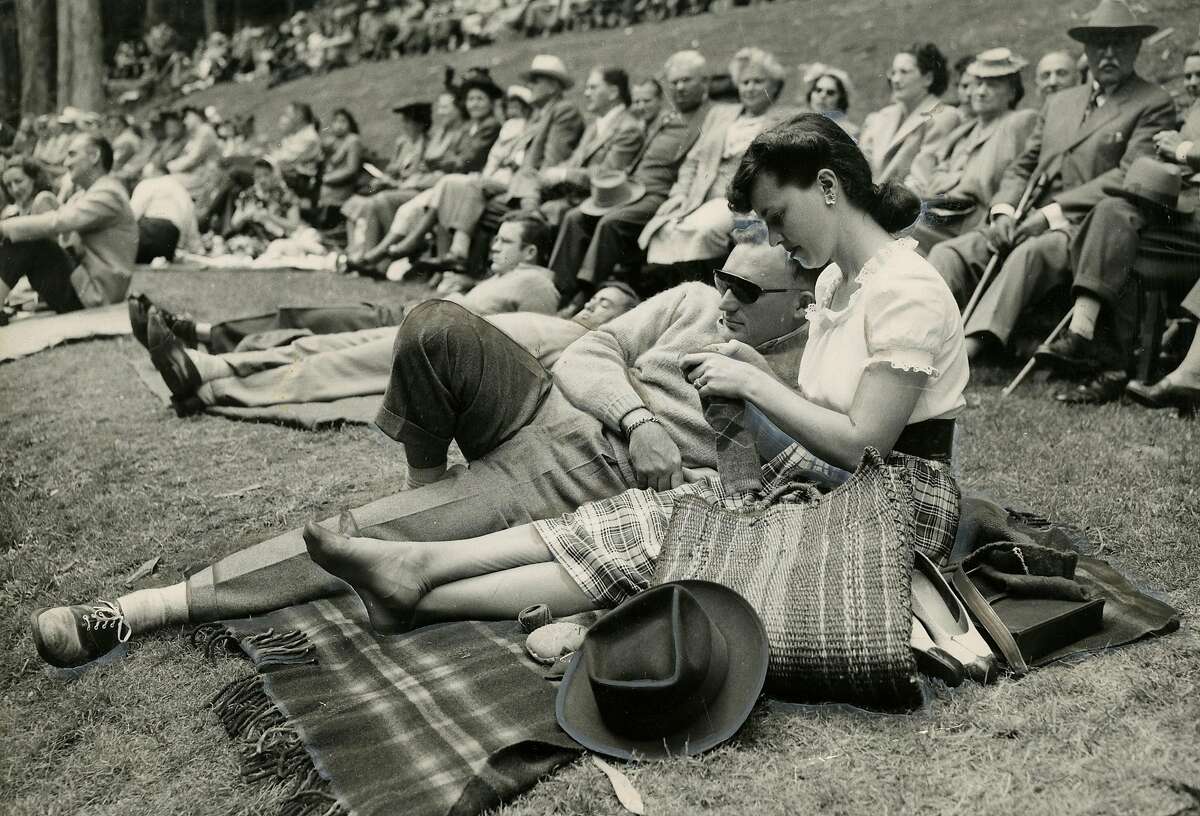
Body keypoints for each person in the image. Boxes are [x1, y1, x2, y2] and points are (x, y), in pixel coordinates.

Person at [267, 112, 966, 634]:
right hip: (832, 490)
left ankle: (420, 582)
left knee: (668, 531)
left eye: (778, 217)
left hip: (895, 505)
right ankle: (414, 575)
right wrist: (755, 374)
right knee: (634, 514)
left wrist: (756, 386)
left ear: (828, 186)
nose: (775, 238)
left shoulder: (905, 286)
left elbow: (866, 446)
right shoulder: (843, 283)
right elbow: (830, 428)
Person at [29, 240, 818, 666]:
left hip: (594, 479)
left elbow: (767, 497)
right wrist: (639, 415)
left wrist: (703, 439)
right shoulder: (689, 304)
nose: (726, 299)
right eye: (724, 279)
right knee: (433, 319)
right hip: (558, 407)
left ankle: (134, 611)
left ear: (802, 298)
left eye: (749, 292)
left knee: (364, 533)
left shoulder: (802, 369)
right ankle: (430, 486)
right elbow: (588, 355)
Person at [927, 0, 1175, 374]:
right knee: (950, 253)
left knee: (1033, 253)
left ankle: (968, 349)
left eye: (1120, 43)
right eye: (1098, 45)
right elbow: (1023, 164)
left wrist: (1050, 214)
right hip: (1025, 214)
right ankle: (925, 338)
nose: (1108, 53)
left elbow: (1127, 175)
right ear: (1086, 50)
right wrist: (1004, 211)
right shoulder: (1061, 101)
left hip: (1084, 225)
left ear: (1137, 47)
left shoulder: (1152, 102)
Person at [140, 210, 566, 412]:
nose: (494, 246)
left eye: (505, 242)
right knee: (317, 341)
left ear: (530, 251)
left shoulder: (538, 285)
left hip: (442, 343)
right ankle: (212, 367)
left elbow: (516, 354)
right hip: (423, 322)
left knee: (331, 357)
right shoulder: (506, 279)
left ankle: (210, 378)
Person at [1041, 40, 1200, 403]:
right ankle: (1082, 334)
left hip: (1193, 224)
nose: (1193, 83)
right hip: (1179, 215)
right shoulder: (1194, 111)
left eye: (1199, 76)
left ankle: (1111, 367)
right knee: (1112, 217)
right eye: (1189, 76)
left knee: (1120, 247)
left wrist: (1180, 151)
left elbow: (1184, 154)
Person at [550, 52, 712, 302]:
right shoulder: (663, 118)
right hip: (633, 189)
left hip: (660, 194)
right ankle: (556, 289)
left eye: (686, 81)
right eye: (674, 82)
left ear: (705, 82)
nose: (679, 88)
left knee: (611, 222)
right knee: (576, 217)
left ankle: (583, 294)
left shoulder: (708, 116)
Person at [638, 47, 792, 278]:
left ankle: (706, 286)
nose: (749, 88)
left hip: (742, 200)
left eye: (757, 81)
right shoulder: (720, 114)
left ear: (774, 86)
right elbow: (693, 160)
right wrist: (679, 194)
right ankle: (679, 288)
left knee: (703, 231)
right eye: (744, 82)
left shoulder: (783, 121)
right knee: (665, 229)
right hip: (699, 196)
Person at [426, 54, 584, 270]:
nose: (530, 85)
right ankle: (459, 260)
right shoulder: (540, 114)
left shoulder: (563, 111)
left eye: (536, 80)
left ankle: (462, 261)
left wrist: (523, 181)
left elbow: (551, 161)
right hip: (522, 181)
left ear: (554, 85)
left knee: (476, 194)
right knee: (473, 190)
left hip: (537, 187)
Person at [907, 49, 1038, 251]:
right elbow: (937, 173)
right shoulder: (965, 130)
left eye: (992, 85)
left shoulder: (1019, 122)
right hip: (944, 213)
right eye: (978, 84)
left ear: (1012, 91)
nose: (981, 91)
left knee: (901, 230)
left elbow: (1016, 175)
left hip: (976, 221)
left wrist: (951, 183)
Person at [0, 134, 138, 314]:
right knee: (26, 236)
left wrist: (4, 227)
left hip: (94, 296)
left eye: (72, 154)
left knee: (27, 238)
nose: (66, 163)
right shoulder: (86, 194)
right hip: (84, 287)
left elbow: (59, 222)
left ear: (94, 156)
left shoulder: (108, 194)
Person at [511, 65, 644, 226]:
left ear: (613, 92)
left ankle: (529, 217)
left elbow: (608, 176)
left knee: (550, 210)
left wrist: (564, 174)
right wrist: (553, 172)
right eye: (587, 88)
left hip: (599, 199)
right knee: (529, 176)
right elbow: (575, 160)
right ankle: (529, 213)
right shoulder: (594, 126)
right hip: (574, 194)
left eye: (593, 88)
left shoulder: (628, 128)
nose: (586, 93)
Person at [859, 43, 962, 184]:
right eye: (893, 72)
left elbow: (921, 179)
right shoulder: (882, 116)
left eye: (904, 72)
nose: (895, 80)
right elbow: (859, 164)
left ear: (928, 78)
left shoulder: (943, 116)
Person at [129, 172, 201, 262]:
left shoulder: (148, 183)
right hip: (171, 240)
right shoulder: (183, 192)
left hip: (152, 229)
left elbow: (131, 216)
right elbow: (193, 235)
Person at [315, 108, 365, 221]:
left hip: (343, 185)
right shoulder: (332, 141)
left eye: (343, 121)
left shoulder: (353, 140)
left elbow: (351, 169)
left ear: (350, 124)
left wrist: (327, 178)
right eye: (336, 121)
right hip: (328, 187)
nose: (339, 125)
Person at [802, 65, 859, 139]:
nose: (822, 96)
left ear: (840, 98)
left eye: (830, 92)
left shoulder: (849, 131)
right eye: (818, 90)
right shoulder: (800, 124)